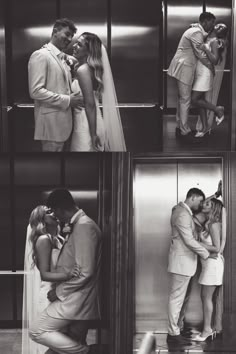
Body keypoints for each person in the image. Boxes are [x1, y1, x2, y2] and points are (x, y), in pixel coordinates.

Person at [29, 189, 102, 354]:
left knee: (36, 330)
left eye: (54, 211)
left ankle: (85, 352)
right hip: (74, 297)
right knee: (68, 342)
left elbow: (85, 272)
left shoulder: (84, 226)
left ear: (61, 209)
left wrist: (59, 292)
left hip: (75, 297)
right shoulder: (77, 225)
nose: (55, 216)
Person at [22, 205, 79, 354]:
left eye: (53, 210)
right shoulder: (43, 240)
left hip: (60, 294)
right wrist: (70, 274)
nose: (53, 213)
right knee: (52, 342)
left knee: (60, 342)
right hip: (49, 294)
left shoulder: (58, 238)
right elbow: (45, 275)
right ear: (42, 220)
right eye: (48, 212)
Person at [167, 188, 217, 345]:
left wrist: (215, 195)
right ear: (193, 198)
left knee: (183, 297)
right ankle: (173, 332)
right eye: (200, 201)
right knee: (177, 298)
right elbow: (188, 241)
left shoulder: (181, 209)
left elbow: (200, 205)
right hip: (181, 263)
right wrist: (207, 254)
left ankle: (178, 327)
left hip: (184, 264)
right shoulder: (182, 214)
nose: (202, 204)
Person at [28, 18, 83, 152]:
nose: (70, 39)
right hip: (51, 126)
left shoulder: (62, 57)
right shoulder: (40, 55)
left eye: (72, 36)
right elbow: (36, 91)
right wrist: (68, 100)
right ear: (55, 31)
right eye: (67, 34)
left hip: (64, 124)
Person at [70, 32, 126, 152]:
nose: (74, 46)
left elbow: (90, 105)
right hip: (94, 121)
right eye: (76, 42)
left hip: (86, 125)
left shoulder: (82, 70)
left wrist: (93, 134)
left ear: (88, 51)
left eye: (79, 45)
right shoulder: (91, 69)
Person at [168, 12, 216, 139]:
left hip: (182, 67)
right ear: (205, 22)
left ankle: (180, 126)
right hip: (185, 68)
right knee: (185, 100)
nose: (213, 26)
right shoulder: (196, 32)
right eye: (212, 23)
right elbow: (200, 53)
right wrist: (211, 65)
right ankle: (184, 130)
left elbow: (203, 38)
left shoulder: (195, 30)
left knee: (182, 99)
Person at [193, 198, 226, 341]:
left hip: (212, 266)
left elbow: (217, 248)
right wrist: (217, 193)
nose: (203, 205)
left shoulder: (213, 225)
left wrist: (197, 244)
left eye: (207, 204)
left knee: (206, 298)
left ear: (213, 209)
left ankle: (206, 330)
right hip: (208, 265)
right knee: (205, 297)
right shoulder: (209, 223)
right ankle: (208, 328)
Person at [192, 23, 228, 137]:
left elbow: (215, 61)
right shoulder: (209, 38)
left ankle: (217, 109)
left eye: (223, 28)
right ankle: (205, 127)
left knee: (196, 99)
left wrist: (206, 49)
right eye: (219, 25)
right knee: (201, 100)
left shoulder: (216, 42)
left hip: (206, 73)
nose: (219, 27)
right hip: (200, 72)